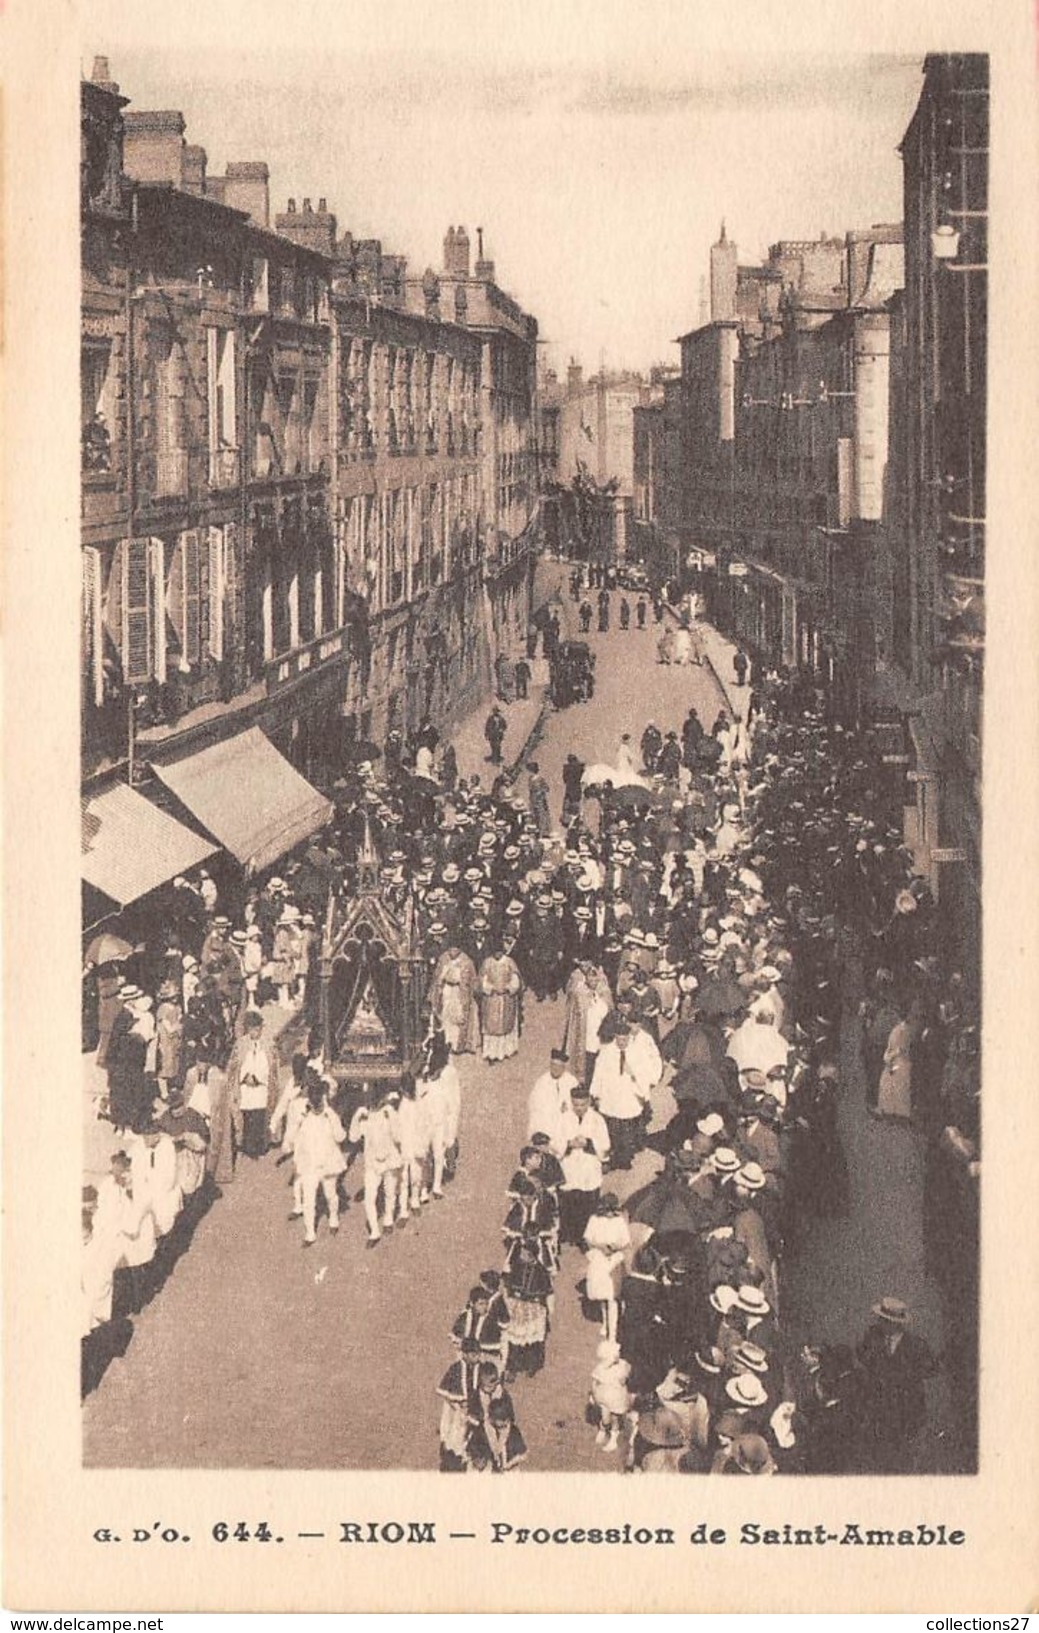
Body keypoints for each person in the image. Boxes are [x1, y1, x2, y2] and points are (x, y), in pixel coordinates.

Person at [856, 1298, 937, 1471]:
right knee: (878, 1459)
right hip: (878, 1411)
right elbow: (861, 1357)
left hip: (906, 1412)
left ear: (896, 1323)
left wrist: (906, 1376)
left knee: (902, 1460)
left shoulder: (916, 1344)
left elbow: (931, 1369)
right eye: (880, 1319)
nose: (880, 1323)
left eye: (884, 1320)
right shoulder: (872, 1338)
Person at [348, 1088, 405, 1245]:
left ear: (382, 1099)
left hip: (389, 1160)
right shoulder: (365, 1117)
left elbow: (399, 1136)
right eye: (370, 1100)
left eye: (375, 1100)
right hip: (372, 1163)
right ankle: (374, 1231)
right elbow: (353, 1138)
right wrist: (356, 1116)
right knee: (369, 1197)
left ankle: (388, 1218)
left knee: (390, 1192)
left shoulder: (388, 1114)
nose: (372, 1103)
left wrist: (392, 1115)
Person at [558, 1084, 611, 1246]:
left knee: (587, 1205)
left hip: (588, 1168)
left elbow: (605, 1144)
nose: (579, 1108)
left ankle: (584, 1236)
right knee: (568, 1202)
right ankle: (568, 1232)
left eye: (582, 1104)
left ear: (588, 1102)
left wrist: (588, 1143)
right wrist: (568, 1144)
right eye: (575, 1104)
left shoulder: (597, 1120)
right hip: (570, 1166)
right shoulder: (563, 1118)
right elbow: (556, 1141)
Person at [225, 1010, 279, 1159]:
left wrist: (258, 1077)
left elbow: (271, 1067)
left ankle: (260, 1146)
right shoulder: (241, 1044)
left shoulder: (268, 1044)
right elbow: (235, 1065)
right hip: (245, 1086)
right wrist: (245, 1076)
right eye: (252, 1029)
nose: (255, 1032)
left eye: (257, 1029)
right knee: (247, 1116)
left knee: (259, 1116)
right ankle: (247, 1146)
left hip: (261, 1086)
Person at [584, 1192, 631, 1341]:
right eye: (608, 1211)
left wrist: (615, 1246)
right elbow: (588, 1239)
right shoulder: (594, 1220)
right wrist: (601, 1246)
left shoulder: (619, 1222)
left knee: (613, 1297)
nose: (611, 1214)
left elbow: (626, 1241)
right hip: (599, 1259)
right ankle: (605, 1322)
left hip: (614, 1261)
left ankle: (613, 1334)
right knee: (602, 1296)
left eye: (613, 1211)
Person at [527, 1047, 578, 1156]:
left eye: (559, 1067)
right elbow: (534, 1104)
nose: (555, 1069)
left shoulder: (571, 1081)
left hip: (565, 1119)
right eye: (553, 1066)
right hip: (546, 1120)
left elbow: (577, 1101)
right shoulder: (542, 1081)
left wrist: (568, 1106)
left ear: (564, 1067)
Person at [478, 945, 524, 1063]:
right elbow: (482, 980)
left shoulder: (509, 962)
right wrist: (491, 988)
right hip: (491, 999)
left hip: (506, 998)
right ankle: (491, 1053)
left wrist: (508, 988)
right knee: (491, 1025)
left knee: (505, 1024)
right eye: (495, 952)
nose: (497, 954)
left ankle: (505, 1051)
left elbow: (515, 980)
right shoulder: (487, 962)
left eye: (499, 952)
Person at [590, 1338, 633, 1454]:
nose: (618, 1355)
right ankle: (603, 1428)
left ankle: (614, 1437)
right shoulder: (601, 1369)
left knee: (614, 1418)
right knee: (605, 1417)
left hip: (616, 1398)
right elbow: (594, 1381)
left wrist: (624, 1377)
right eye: (615, 1354)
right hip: (604, 1397)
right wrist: (594, 1394)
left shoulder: (622, 1365)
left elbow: (626, 1376)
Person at [527, 761, 552, 838]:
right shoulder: (530, 778)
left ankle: (543, 832)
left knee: (541, 816)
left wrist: (540, 792)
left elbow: (547, 788)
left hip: (540, 800)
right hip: (533, 800)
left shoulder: (540, 779)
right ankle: (535, 830)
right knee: (534, 815)